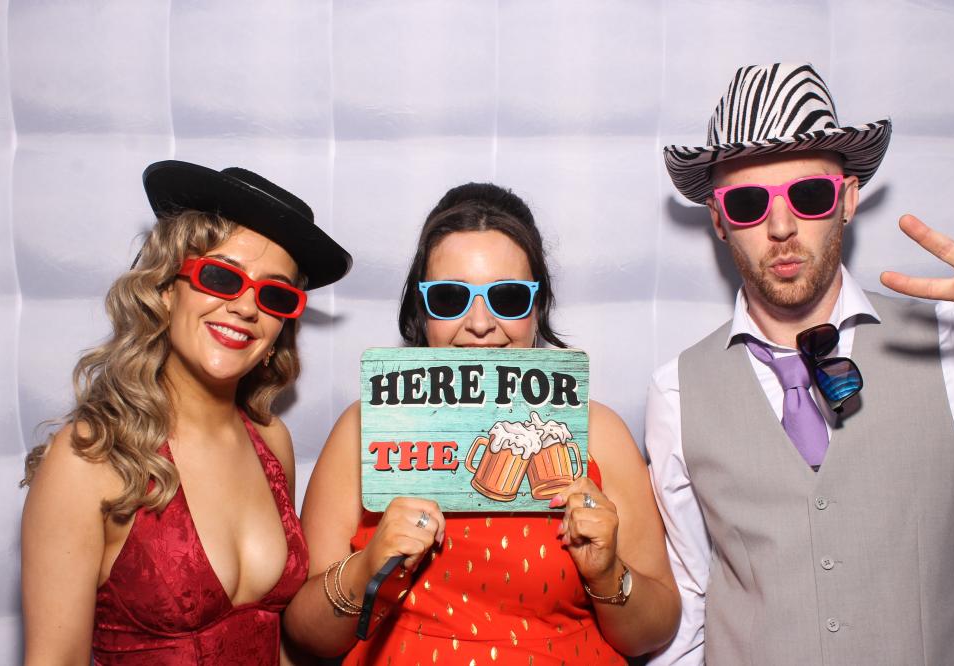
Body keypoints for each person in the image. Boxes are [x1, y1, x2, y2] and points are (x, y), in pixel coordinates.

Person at [647, 62, 954, 665]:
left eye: (809, 195)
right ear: (719, 220)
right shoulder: (676, 390)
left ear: (848, 199)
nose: (782, 227)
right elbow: (689, 606)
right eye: (749, 203)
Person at [284, 182, 680, 663]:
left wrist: (607, 572)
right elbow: (306, 636)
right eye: (450, 297)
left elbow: (653, 632)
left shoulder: (596, 431)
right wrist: (366, 568)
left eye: (508, 297)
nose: (479, 323)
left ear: (538, 307)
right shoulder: (365, 428)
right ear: (421, 309)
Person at [20, 161, 351, 664]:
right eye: (221, 277)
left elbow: (282, 644)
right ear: (166, 288)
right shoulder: (90, 457)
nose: (246, 308)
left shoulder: (271, 440)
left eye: (274, 294)